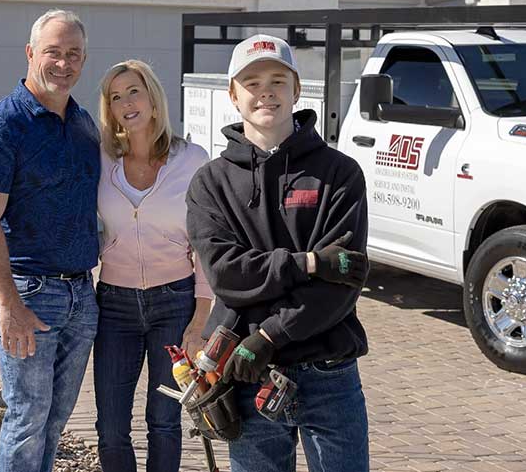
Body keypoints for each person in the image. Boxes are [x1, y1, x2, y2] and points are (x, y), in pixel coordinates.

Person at [186, 34, 372, 472]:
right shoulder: (210, 184)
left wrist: (269, 337)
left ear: (296, 89)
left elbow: (341, 283)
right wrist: (307, 261)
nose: (265, 91)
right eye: (251, 82)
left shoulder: (339, 174)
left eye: (276, 80)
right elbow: (227, 275)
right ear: (233, 94)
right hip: (246, 379)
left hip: (329, 372)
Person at [0, 9, 100, 472]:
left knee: (55, 420)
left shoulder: (84, 124)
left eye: (74, 54)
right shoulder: (1, 126)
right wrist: (8, 303)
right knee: (26, 418)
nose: (64, 63)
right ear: (30, 54)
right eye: (53, 53)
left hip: (82, 293)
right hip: (29, 294)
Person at [93, 59, 212, 472]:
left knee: (164, 422)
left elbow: (207, 246)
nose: (126, 102)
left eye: (133, 91)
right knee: (110, 427)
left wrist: (199, 324)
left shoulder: (192, 160)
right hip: (114, 306)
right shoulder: (101, 160)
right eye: (115, 96)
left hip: (174, 302)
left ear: (154, 100)